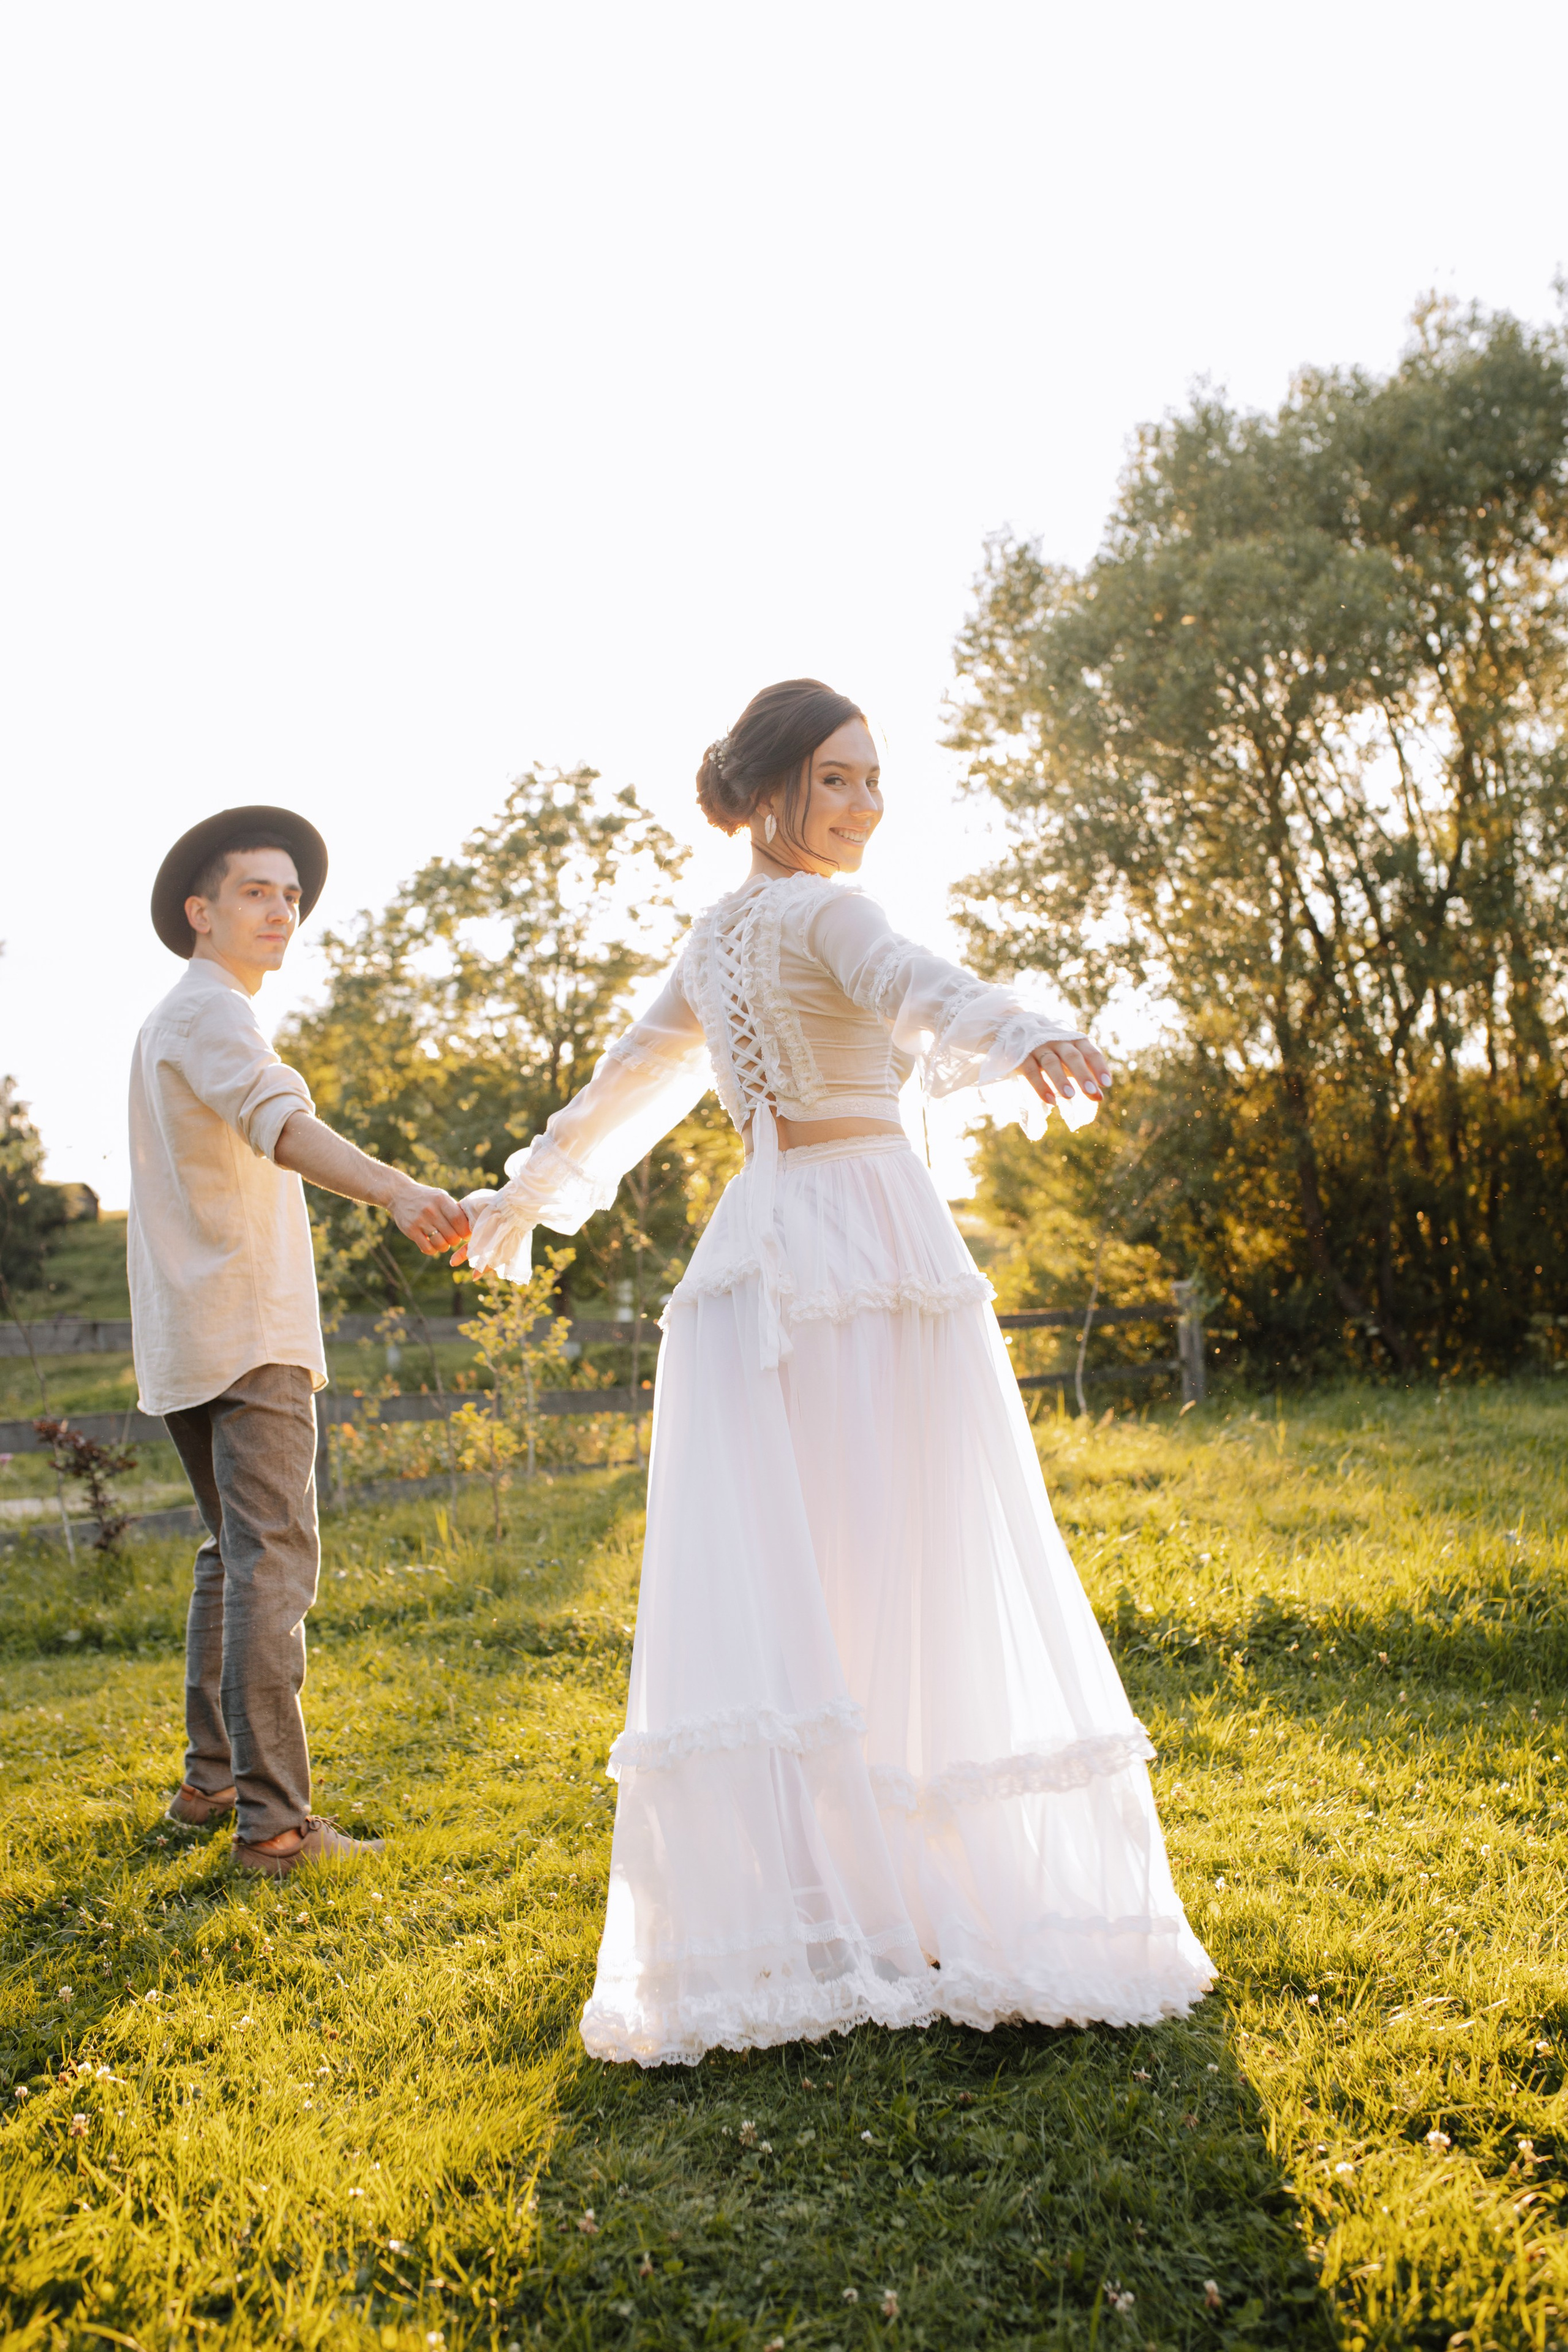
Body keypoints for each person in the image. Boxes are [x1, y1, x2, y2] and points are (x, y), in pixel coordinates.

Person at [464, 682, 1213, 2064]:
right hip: (859, 1239)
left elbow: (626, 1088)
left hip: (761, 1252)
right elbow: (914, 983)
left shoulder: (713, 940)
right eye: (836, 779)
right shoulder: (821, 915)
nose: (864, 804)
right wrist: (1027, 1032)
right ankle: (902, 1881)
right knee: (908, 1553)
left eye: (873, 778)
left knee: (808, 1565)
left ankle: (844, 1885)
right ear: (768, 791)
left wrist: (514, 1204)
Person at [130, 805, 470, 1878]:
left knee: (232, 1556)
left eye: (290, 895)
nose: (282, 910)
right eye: (256, 892)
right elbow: (280, 1122)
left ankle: (212, 1783)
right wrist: (397, 1190)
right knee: (272, 1563)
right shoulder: (214, 1013)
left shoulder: (174, 1020)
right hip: (247, 1331)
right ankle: (276, 1828)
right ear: (201, 912)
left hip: (191, 1334)